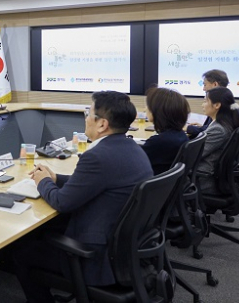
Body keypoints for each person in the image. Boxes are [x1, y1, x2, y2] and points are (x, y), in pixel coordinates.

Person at [13, 91, 153, 303]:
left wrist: (43, 181)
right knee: (43, 231)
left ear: (102, 124)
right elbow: (94, 182)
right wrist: (55, 178)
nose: (85, 118)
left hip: (95, 257)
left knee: (21, 251)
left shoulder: (97, 156)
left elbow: (62, 202)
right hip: (125, 250)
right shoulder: (131, 148)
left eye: (89, 113)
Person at [196, 87, 239, 196]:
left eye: (205, 101)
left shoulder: (218, 129)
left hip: (204, 178)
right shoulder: (224, 122)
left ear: (217, 105)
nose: (202, 105)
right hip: (211, 172)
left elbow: (196, 154)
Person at [142, 87, 190, 175]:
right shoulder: (180, 135)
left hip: (152, 181)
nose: (145, 109)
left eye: (148, 106)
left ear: (158, 110)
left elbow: (132, 164)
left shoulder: (157, 142)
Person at [187, 69, 229, 136]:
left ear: (215, 84)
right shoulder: (227, 100)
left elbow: (215, 129)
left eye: (205, 85)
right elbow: (211, 127)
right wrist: (202, 127)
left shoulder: (220, 104)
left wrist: (188, 128)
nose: (203, 89)